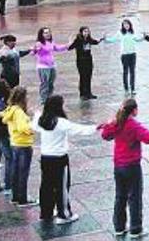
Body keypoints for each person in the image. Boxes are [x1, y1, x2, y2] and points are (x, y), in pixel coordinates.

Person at [100, 99, 149, 238]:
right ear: (134, 110)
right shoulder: (133, 125)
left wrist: (109, 124)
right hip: (132, 165)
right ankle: (135, 228)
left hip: (118, 165)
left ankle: (119, 227)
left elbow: (105, 135)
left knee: (120, 196)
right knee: (134, 197)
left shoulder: (117, 122)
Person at [33, 95, 97, 224]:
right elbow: (79, 130)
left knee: (46, 185)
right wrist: (97, 127)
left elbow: (33, 125)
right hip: (59, 159)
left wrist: (36, 114)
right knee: (62, 186)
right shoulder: (61, 122)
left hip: (45, 157)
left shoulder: (41, 120)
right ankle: (64, 214)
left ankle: (46, 212)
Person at [0, 86, 38, 207]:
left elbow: (3, 117)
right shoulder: (19, 112)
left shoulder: (11, 109)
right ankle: (23, 199)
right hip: (23, 144)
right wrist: (32, 128)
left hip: (14, 143)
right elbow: (23, 128)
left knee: (15, 171)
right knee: (23, 172)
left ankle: (15, 196)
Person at [104, 19, 145, 95]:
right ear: (122, 26)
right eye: (124, 24)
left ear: (130, 25)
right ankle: (126, 88)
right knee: (125, 72)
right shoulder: (120, 33)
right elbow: (113, 39)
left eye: (127, 24)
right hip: (124, 55)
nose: (126, 26)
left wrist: (143, 37)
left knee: (132, 71)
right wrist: (106, 39)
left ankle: (132, 88)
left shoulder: (132, 33)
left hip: (132, 54)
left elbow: (137, 39)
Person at [32, 27, 69, 104]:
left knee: (51, 83)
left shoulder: (51, 42)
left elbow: (57, 48)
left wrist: (67, 45)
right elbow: (33, 53)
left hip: (52, 66)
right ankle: (44, 99)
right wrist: (35, 49)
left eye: (49, 32)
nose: (48, 34)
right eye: (45, 33)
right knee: (45, 83)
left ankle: (49, 97)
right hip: (43, 67)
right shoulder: (39, 43)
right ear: (41, 34)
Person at [68, 27, 102, 100]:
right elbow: (70, 47)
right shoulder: (78, 40)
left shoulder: (89, 39)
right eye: (85, 31)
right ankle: (82, 94)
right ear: (81, 32)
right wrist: (70, 42)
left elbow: (95, 42)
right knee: (83, 77)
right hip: (81, 61)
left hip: (89, 60)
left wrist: (101, 39)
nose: (86, 33)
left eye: (87, 31)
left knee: (89, 77)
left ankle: (89, 93)